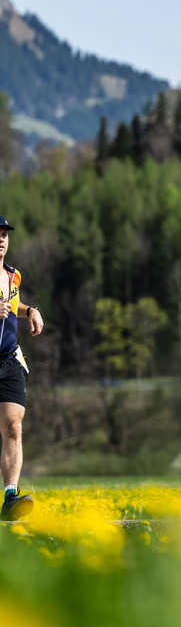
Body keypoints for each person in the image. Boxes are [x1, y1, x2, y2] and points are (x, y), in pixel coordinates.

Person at [0, 216, 43, 521]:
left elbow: (14, 305)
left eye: (4, 235)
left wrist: (32, 311)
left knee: (14, 426)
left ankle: (10, 498)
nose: (1, 239)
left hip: (9, 361)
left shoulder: (13, 276)